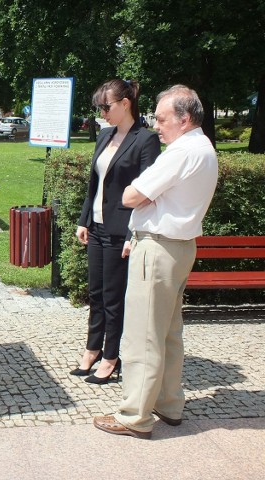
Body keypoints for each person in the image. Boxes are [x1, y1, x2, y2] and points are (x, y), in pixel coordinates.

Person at [93, 85, 218, 439]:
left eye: (162, 119)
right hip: (181, 247)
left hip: (159, 248)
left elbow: (132, 195)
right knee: (168, 333)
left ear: (184, 118)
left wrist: (144, 198)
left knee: (143, 334)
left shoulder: (180, 152)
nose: (156, 125)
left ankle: (135, 415)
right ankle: (169, 403)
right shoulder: (204, 148)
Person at [72, 79, 161, 384]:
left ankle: (111, 357)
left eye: (106, 106)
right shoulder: (105, 135)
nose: (102, 112)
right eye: (99, 107)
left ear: (125, 104)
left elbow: (148, 192)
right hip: (96, 227)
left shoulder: (145, 140)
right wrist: (84, 219)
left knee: (113, 298)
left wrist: (130, 235)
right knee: (95, 294)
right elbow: (94, 184)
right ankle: (92, 349)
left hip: (120, 231)